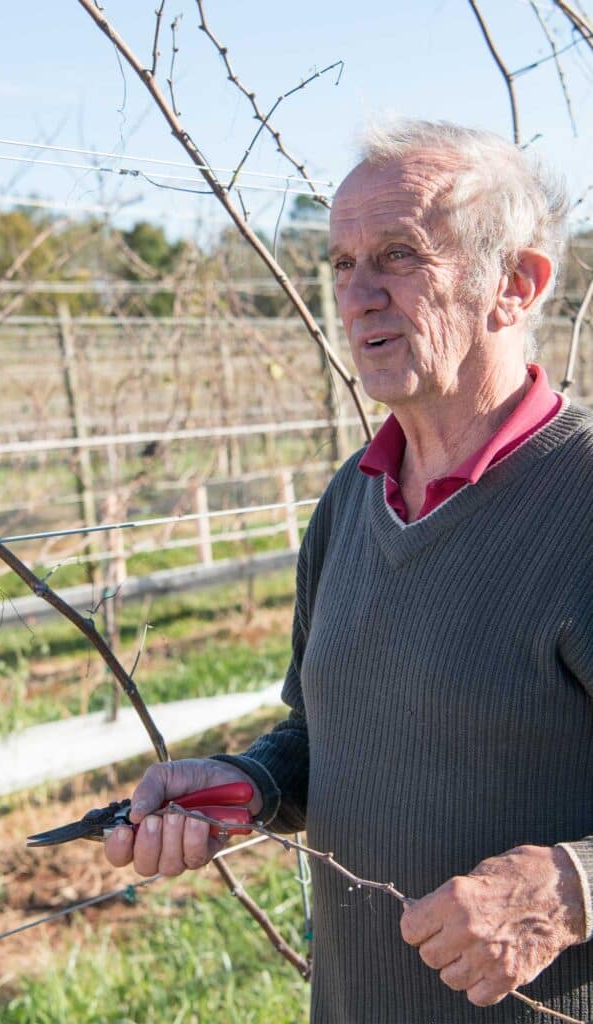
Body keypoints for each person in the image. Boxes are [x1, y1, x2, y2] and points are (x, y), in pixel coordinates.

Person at [105, 120, 593, 1023]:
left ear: (515, 285)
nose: (358, 295)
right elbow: (326, 733)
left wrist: (573, 886)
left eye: (399, 256)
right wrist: (244, 786)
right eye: (339, 263)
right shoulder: (351, 500)